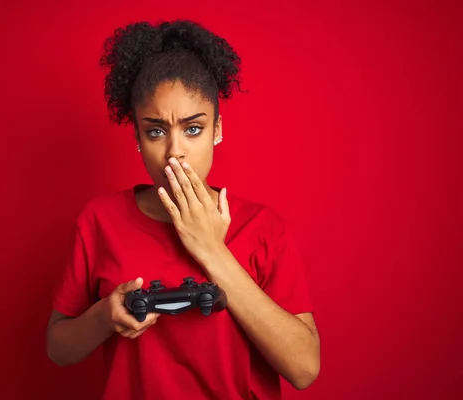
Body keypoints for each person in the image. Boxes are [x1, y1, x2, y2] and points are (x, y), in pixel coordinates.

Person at [46, 20, 320, 400]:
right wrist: (105, 316)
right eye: (155, 131)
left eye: (193, 129)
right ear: (138, 138)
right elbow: (58, 348)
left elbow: (304, 368)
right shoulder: (100, 220)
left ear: (218, 130)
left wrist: (211, 249)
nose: (175, 150)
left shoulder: (264, 228)